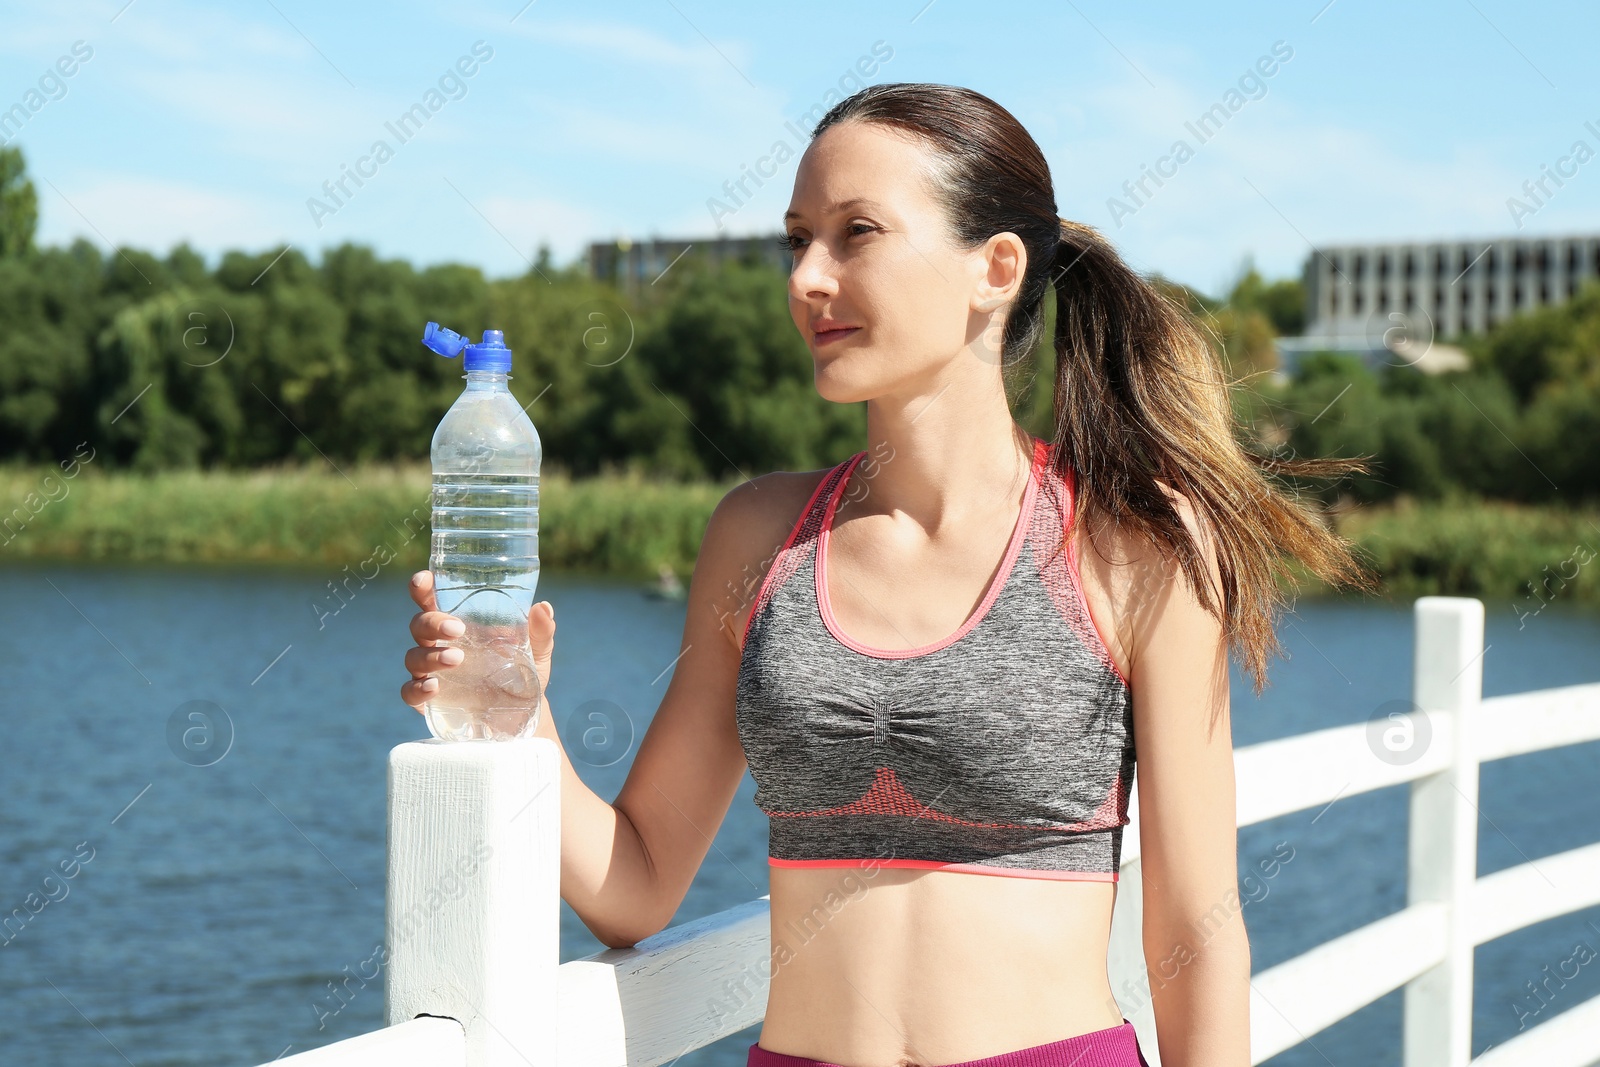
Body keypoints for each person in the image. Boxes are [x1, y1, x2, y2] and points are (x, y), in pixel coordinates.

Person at [401, 83, 1373, 1067]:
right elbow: (636, 883)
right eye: (796, 240)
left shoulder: (1137, 542)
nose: (806, 279)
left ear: (995, 268)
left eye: (854, 233)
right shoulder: (758, 537)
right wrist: (521, 719)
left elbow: (1191, 933)